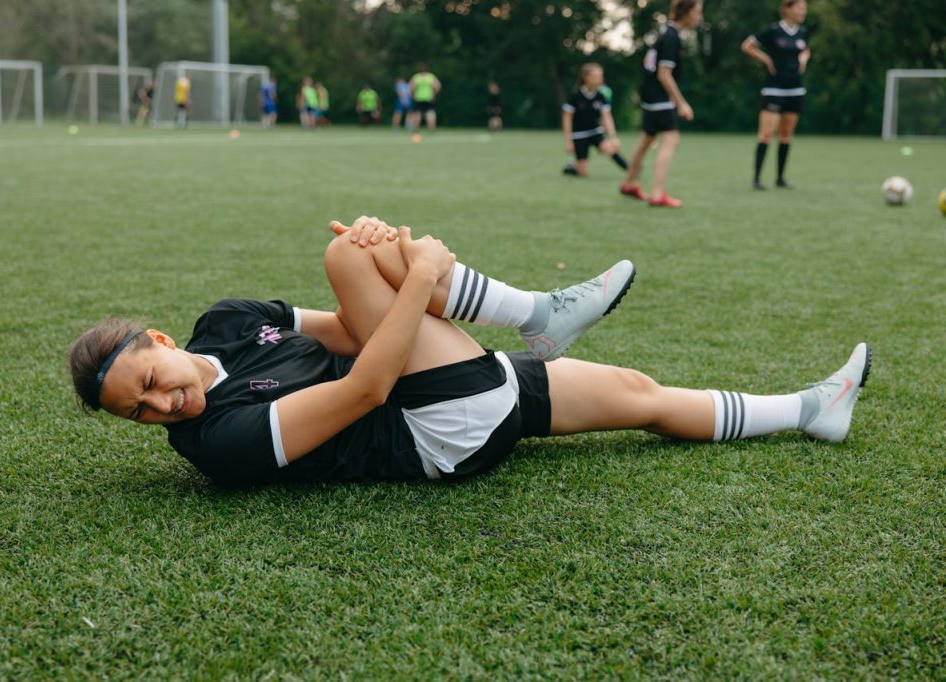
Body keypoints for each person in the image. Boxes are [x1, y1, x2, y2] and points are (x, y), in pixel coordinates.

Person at [69, 216, 871, 487]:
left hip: (441, 382)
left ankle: (812, 410)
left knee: (639, 390)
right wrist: (414, 271)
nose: (161, 406)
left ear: (163, 342)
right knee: (350, 255)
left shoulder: (229, 321)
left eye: (150, 381)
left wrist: (397, 271)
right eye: (139, 414)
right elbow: (367, 386)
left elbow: (354, 334)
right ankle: (535, 314)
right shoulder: (216, 445)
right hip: (431, 431)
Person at [620, 0, 702, 207]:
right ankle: (657, 195)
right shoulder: (672, 37)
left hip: (649, 95)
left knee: (647, 140)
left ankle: (629, 183)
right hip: (659, 97)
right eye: (698, 12)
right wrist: (681, 103)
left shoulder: (665, 31)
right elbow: (664, 74)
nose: (699, 17)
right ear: (687, 12)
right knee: (671, 140)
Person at [742, 0, 811, 190]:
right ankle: (757, 179)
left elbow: (806, 49)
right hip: (774, 89)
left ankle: (780, 178)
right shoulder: (773, 31)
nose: (802, 12)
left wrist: (803, 58)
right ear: (787, 9)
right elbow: (747, 46)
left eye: (804, 9)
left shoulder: (802, 32)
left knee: (786, 136)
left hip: (795, 89)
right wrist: (766, 59)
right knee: (766, 134)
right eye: (799, 8)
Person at [561, 63, 627, 178]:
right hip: (579, 135)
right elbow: (567, 118)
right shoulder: (575, 96)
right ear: (585, 77)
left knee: (609, 149)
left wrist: (613, 137)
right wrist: (568, 141)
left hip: (595, 132)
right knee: (583, 173)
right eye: (596, 77)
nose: (599, 80)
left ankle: (631, 170)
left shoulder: (601, 96)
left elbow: (607, 117)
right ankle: (571, 169)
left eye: (601, 77)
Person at [409, 64, 442, 132]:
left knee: (418, 114)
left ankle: (416, 130)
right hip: (429, 98)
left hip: (418, 98)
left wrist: (413, 95)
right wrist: (434, 94)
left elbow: (411, 87)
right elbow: (438, 85)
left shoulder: (416, 77)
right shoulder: (430, 76)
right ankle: (431, 130)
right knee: (430, 114)